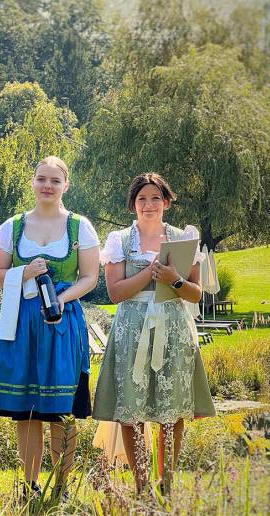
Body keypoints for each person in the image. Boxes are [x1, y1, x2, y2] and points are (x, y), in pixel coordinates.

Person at [93, 172, 216, 494]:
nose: (149, 205)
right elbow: (116, 293)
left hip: (173, 327)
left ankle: (167, 482)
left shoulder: (183, 238)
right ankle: (141, 483)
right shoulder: (119, 240)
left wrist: (174, 278)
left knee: (171, 410)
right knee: (131, 411)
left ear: (166, 202)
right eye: (142, 199)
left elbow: (195, 294)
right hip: (131, 327)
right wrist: (150, 271)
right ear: (133, 204)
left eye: (155, 198)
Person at [0, 156, 100, 496]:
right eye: (41, 179)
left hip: (61, 324)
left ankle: (61, 485)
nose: (47, 186)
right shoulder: (12, 227)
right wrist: (26, 272)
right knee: (27, 410)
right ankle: (30, 484)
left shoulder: (80, 227)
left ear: (66, 185)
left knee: (61, 409)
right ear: (33, 182)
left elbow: (91, 277)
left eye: (55, 180)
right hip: (21, 325)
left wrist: (64, 299)